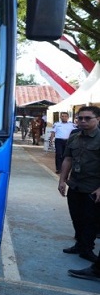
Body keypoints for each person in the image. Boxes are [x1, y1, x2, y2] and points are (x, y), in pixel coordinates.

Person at [58, 106, 100, 263]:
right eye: (80, 118)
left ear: (98, 119)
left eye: (87, 118)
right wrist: (62, 180)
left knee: (91, 220)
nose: (83, 121)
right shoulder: (74, 137)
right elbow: (68, 159)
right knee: (76, 217)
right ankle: (80, 245)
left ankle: (87, 249)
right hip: (75, 185)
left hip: (93, 187)